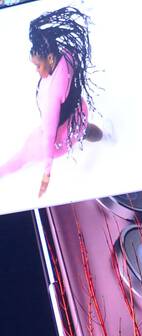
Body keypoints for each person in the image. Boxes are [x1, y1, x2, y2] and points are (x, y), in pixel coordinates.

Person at [0, 6, 103, 198]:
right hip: (78, 115)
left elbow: (48, 138)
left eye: (38, 65)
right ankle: (97, 134)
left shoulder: (52, 98)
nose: (36, 70)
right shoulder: (67, 56)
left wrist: (46, 174)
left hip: (58, 139)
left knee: (20, 158)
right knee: (85, 129)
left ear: (49, 58)